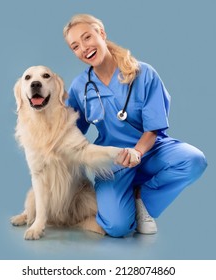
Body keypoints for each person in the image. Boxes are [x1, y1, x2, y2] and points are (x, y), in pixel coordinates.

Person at [63, 14, 207, 237]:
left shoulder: (144, 73)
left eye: (87, 37)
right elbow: (71, 132)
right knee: (117, 228)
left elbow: (153, 128)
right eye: (75, 46)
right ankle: (122, 200)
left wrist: (138, 152)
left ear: (101, 34)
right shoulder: (80, 86)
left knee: (193, 160)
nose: (84, 48)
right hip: (113, 160)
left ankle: (142, 198)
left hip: (151, 150)